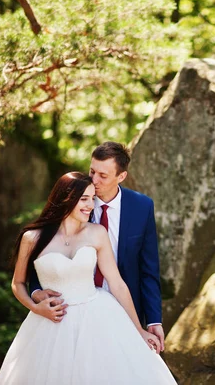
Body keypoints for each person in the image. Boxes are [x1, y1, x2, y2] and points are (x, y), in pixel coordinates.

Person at [0, 172, 177, 384]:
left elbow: (117, 284)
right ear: (66, 198)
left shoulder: (97, 233)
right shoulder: (32, 238)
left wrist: (139, 330)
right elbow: (17, 283)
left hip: (98, 317)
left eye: (92, 198)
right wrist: (37, 308)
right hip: (51, 322)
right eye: (84, 199)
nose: (90, 205)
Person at [29, 141, 166, 351]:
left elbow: (148, 269)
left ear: (121, 177)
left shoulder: (142, 206)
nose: (93, 180)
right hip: (71, 310)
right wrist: (37, 290)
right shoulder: (73, 202)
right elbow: (42, 249)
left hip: (125, 307)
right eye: (92, 171)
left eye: (103, 175)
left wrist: (153, 320)